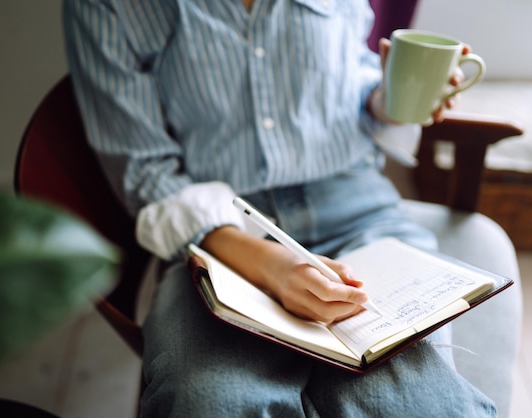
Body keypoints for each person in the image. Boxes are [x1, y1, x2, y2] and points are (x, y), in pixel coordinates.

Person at [62, 1, 496, 416]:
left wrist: (392, 97)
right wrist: (271, 267)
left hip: (360, 216)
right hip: (221, 238)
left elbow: (352, 86)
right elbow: (144, 171)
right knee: (212, 402)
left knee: (420, 406)